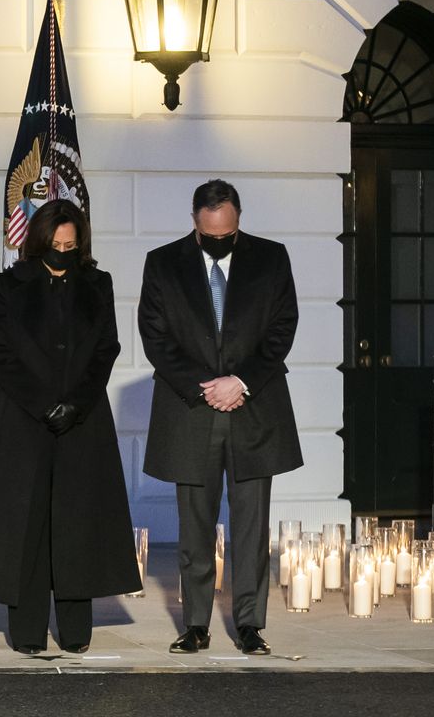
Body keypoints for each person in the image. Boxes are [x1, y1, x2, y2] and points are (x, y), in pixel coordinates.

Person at [0, 199, 140, 654]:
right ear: (39, 242)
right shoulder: (11, 284)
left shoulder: (98, 284)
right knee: (27, 527)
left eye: (70, 245)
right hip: (22, 420)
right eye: (55, 244)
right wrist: (43, 405)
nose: (62, 251)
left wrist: (75, 404)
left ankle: (76, 632)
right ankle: (28, 631)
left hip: (83, 422)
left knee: (77, 525)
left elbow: (106, 350)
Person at [138, 179, 301, 658]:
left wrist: (241, 380)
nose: (219, 240)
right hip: (190, 410)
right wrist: (205, 386)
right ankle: (195, 625)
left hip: (254, 408)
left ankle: (249, 625)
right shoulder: (163, 263)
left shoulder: (271, 258)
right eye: (210, 234)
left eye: (227, 233)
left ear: (238, 222)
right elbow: (155, 336)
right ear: (194, 221)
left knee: (251, 526)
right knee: (195, 526)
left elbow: (282, 327)